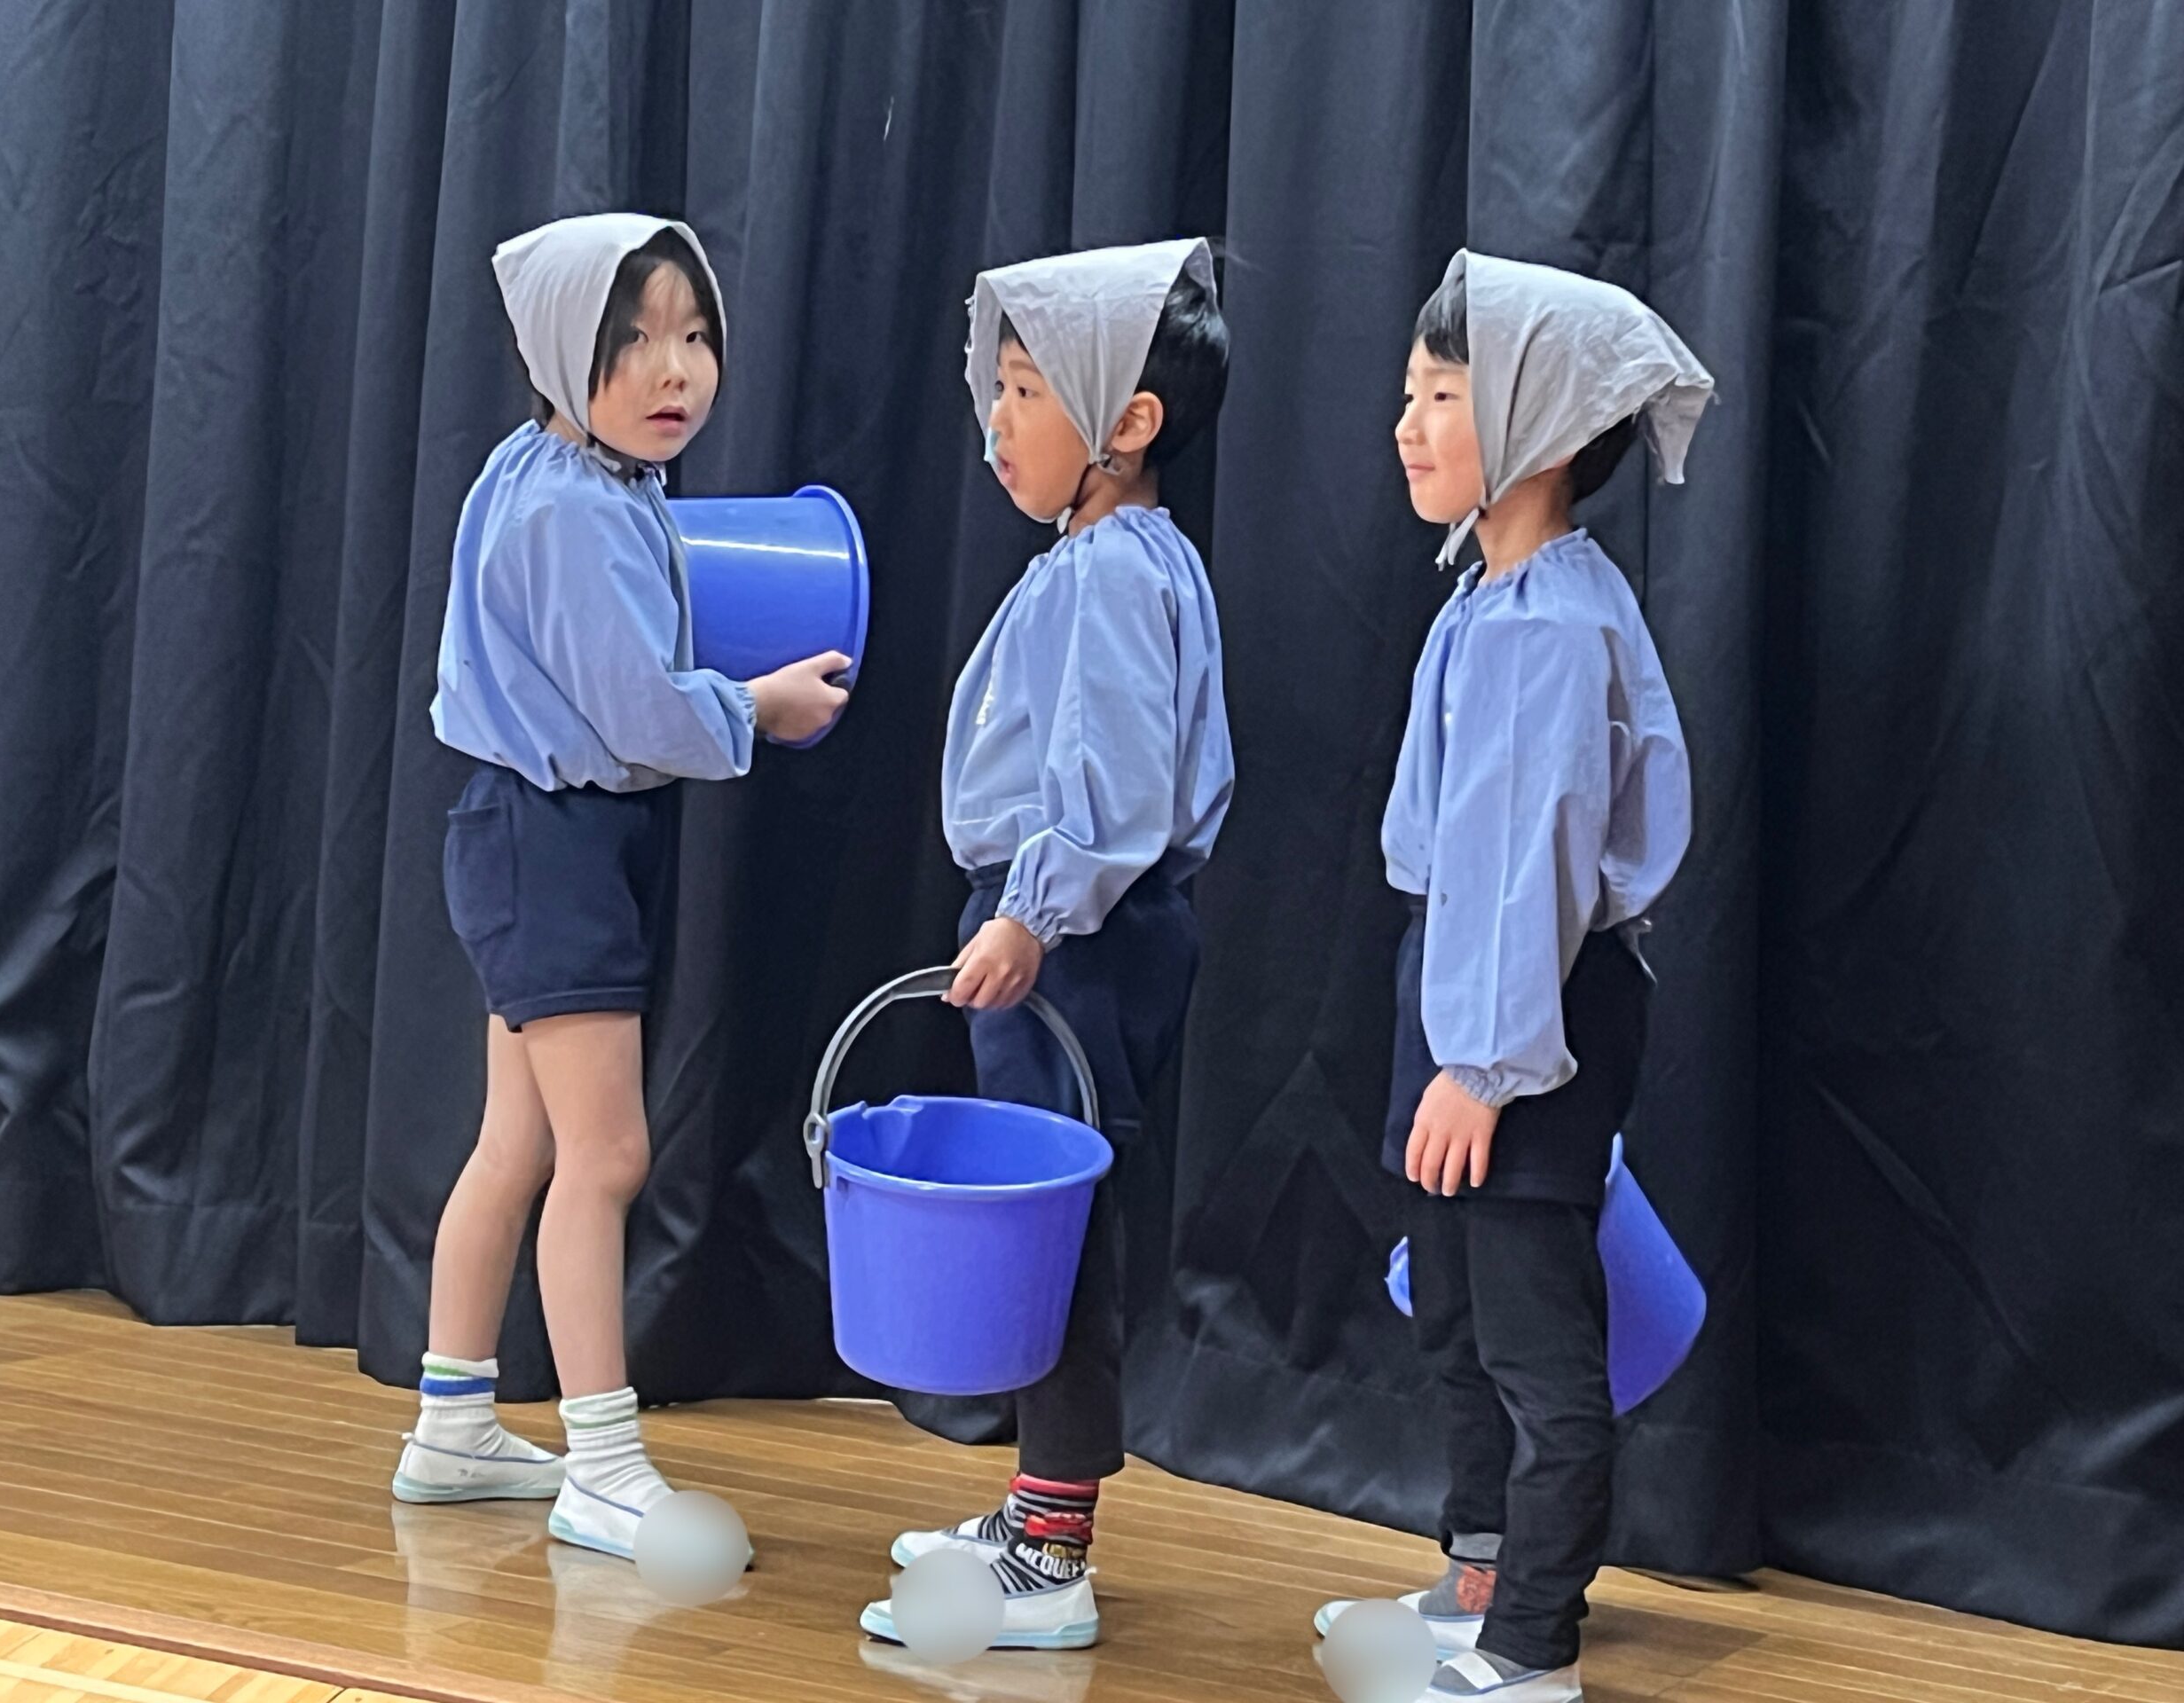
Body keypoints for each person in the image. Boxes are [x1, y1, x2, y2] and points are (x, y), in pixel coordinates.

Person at [391, 212, 849, 1562]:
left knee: (519, 1144)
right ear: (557, 354)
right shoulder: (577, 511)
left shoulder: (549, 473)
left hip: (527, 834)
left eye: (694, 336)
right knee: (607, 1157)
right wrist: (758, 706)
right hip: (556, 845)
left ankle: (451, 1425)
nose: (675, 369)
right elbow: (642, 708)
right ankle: (601, 1460)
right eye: (634, 340)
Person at [1314, 251, 1711, 1703]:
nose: (1407, 426)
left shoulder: (1550, 625)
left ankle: (1534, 1645)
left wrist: (1484, 1068)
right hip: (1467, 987)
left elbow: (1534, 863)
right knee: (1458, 1313)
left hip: (1528, 1009)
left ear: (1539, 425)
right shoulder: (1488, 599)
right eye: (1408, 396)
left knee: (1539, 1341)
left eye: (1442, 397)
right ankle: (1478, 1576)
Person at [859, 239, 1236, 1652]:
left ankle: (1052, 1557)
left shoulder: (1109, 573)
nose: (998, 419)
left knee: (1055, 1231)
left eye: (1029, 390)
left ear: (1128, 423)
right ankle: (1035, 1507)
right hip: (1071, 926)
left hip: (1078, 938)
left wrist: (1034, 908)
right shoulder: (1112, 558)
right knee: (1047, 1217)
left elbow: (1112, 778)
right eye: (1001, 386)